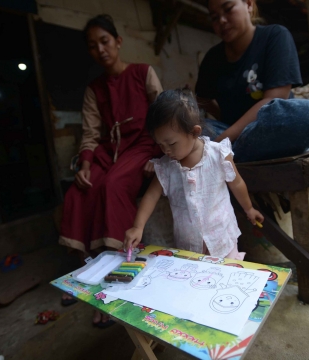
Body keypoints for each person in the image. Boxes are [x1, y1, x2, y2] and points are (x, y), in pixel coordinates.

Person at [59, 14, 163, 326]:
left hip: (143, 144)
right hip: (110, 150)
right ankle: (88, 275)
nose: (100, 49)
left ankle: (118, 277)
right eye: (93, 46)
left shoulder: (143, 73)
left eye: (105, 41)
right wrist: (86, 165)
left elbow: (163, 112)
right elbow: (91, 133)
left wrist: (159, 155)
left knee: (114, 184)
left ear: (117, 41)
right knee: (79, 191)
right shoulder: (94, 89)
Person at [124, 90, 264, 259]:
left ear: (195, 132)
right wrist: (138, 227)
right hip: (188, 245)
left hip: (222, 238)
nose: (166, 150)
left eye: (171, 143)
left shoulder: (218, 154)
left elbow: (237, 183)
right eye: (160, 145)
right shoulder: (166, 167)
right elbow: (151, 196)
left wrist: (249, 208)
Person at [195, 0, 309, 162]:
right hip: (229, 130)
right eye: (215, 17)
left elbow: (275, 97)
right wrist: (226, 125)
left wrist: (220, 143)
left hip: (266, 127)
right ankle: (229, 153)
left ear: (249, 4)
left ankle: (220, 154)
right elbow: (202, 99)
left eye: (228, 9)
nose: (222, 21)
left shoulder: (275, 36)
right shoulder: (213, 57)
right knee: (181, 127)